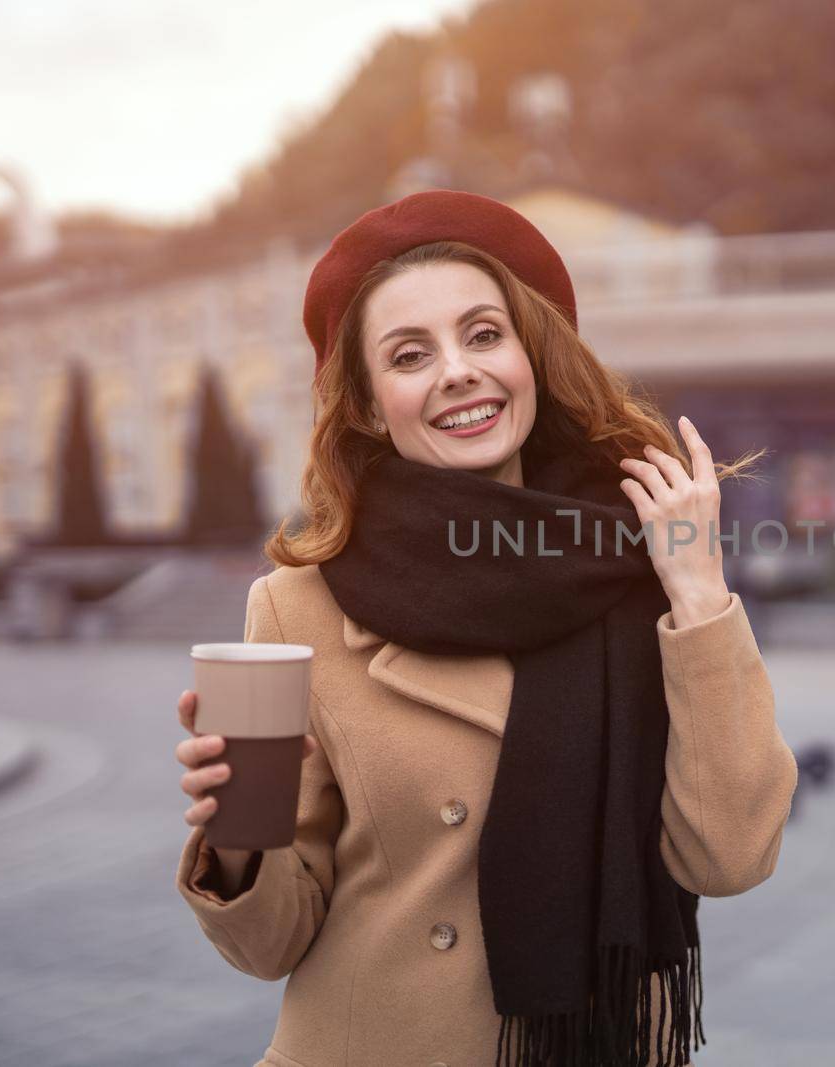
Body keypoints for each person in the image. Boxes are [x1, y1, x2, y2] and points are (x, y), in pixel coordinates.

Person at [172, 189, 799, 1067]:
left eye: (483, 334)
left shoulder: (645, 564)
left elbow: (731, 857)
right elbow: (269, 945)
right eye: (409, 353)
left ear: (529, 357)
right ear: (365, 403)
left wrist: (697, 593)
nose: (458, 371)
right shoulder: (297, 607)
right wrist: (240, 830)